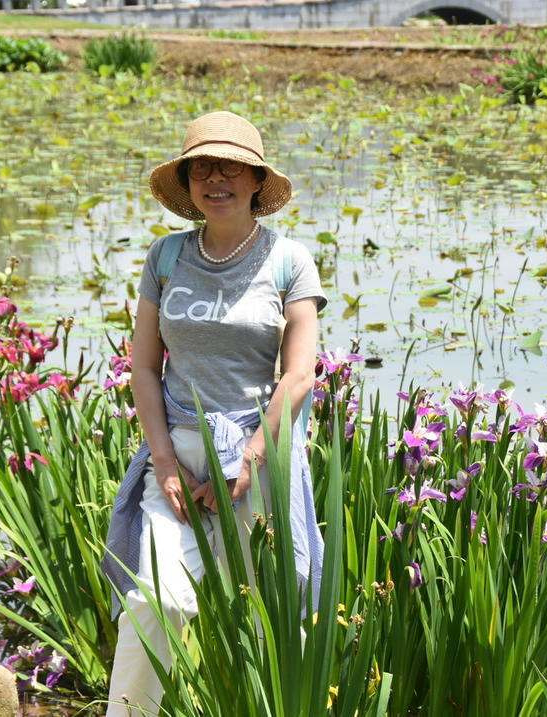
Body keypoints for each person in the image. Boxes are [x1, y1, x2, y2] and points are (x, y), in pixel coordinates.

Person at [101, 111, 326, 716]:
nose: (215, 179)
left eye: (230, 167)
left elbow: (299, 375)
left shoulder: (289, 261)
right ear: (186, 182)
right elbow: (144, 366)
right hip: (177, 451)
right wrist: (165, 463)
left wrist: (250, 461)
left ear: (257, 180)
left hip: (260, 453)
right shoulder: (166, 256)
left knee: (271, 614)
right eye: (200, 168)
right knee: (155, 601)